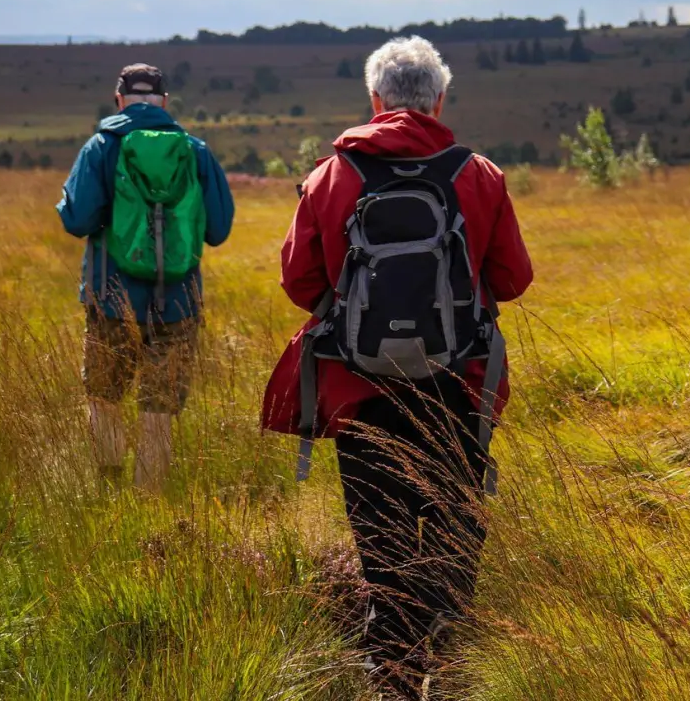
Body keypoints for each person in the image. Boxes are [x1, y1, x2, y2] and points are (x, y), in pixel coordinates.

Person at [263, 36, 532, 698]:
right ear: (439, 100)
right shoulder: (479, 175)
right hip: (458, 387)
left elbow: (300, 282)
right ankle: (452, 666)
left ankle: (392, 675)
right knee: (453, 525)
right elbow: (515, 279)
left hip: (360, 388)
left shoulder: (332, 175)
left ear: (375, 100)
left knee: (381, 540)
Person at [57, 64, 234, 493]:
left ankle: (109, 487)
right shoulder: (195, 150)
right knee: (160, 405)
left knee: (104, 395)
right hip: (178, 303)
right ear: (165, 103)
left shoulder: (101, 147)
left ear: (118, 99)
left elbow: (77, 220)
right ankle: (149, 498)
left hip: (110, 298)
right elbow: (219, 229)